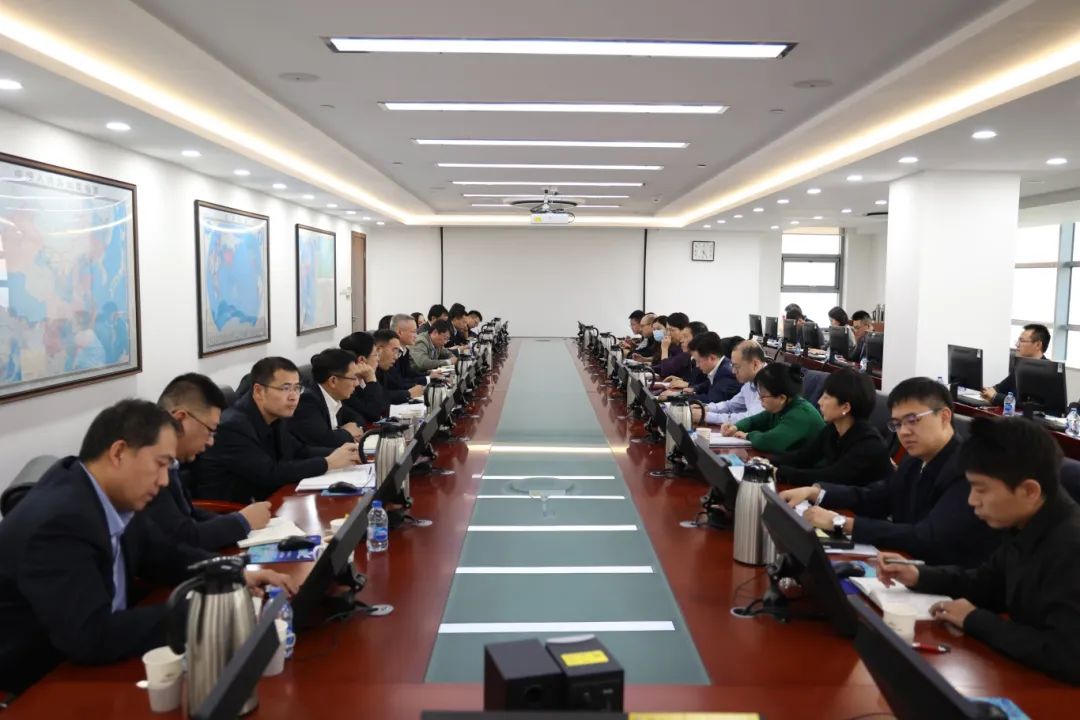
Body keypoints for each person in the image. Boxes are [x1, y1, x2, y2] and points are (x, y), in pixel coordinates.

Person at [0, 400, 292, 693]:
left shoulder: (106, 492)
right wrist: (208, 610)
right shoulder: (59, 522)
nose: (164, 480)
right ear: (119, 453)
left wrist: (231, 575)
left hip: (100, 655)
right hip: (41, 682)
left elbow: (161, 555)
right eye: (160, 464)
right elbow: (91, 636)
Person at [875, 417, 1080, 684]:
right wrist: (919, 575)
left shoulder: (1071, 547)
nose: (972, 501)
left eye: (980, 489)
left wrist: (974, 619)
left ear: (1029, 491)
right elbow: (987, 584)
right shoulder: (1024, 524)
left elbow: (1066, 655)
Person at [780, 377, 1001, 566]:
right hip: (906, 565)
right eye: (897, 424)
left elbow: (927, 536)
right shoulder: (914, 460)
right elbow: (876, 497)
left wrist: (843, 523)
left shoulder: (966, 469)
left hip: (946, 582)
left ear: (944, 416)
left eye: (912, 420)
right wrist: (815, 492)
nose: (904, 432)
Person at [190, 357, 359, 502]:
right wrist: (327, 463)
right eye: (285, 388)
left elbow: (300, 451)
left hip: (269, 499)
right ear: (258, 391)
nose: (293, 397)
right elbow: (269, 473)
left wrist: (346, 453)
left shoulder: (276, 415)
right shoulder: (232, 426)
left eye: (296, 388)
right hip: (235, 511)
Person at [146, 373, 271, 550]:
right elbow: (182, 538)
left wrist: (238, 518)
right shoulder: (149, 470)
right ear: (180, 419)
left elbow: (188, 513)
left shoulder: (171, 463)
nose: (211, 441)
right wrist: (242, 521)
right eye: (209, 431)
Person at [771, 369, 892, 487]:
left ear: (845, 407)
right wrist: (768, 461)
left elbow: (832, 477)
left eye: (826, 397)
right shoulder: (833, 429)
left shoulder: (868, 444)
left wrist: (781, 473)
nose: (819, 401)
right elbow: (803, 457)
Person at [720, 362, 824, 453]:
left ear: (781, 398)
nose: (760, 399)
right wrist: (736, 427)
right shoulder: (781, 406)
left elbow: (770, 442)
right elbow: (753, 421)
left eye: (763, 396)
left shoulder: (801, 414)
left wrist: (748, 436)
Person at [291, 348, 365, 447]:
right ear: (333, 381)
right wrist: (347, 433)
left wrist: (350, 431)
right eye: (353, 378)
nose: (357, 384)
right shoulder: (307, 401)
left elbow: (358, 418)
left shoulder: (335, 396)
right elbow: (323, 441)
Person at [691, 340, 767, 426]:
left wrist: (706, 416)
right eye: (732, 365)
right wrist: (704, 408)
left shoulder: (769, 383)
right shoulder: (750, 381)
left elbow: (750, 418)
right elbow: (730, 405)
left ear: (755, 365)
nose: (733, 371)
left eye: (736, 366)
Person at [980, 324, 1051, 404]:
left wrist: (995, 397)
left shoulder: (1047, 373)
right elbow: (999, 388)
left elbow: (1028, 404)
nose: (1017, 345)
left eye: (1022, 341)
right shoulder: (1021, 367)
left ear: (1038, 345)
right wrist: (986, 391)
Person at [665, 332, 740, 404]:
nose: (697, 365)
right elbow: (708, 383)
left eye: (698, 361)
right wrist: (694, 389)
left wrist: (676, 396)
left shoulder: (727, 373)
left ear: (712, 358)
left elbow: (710, 400)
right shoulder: (721, 367)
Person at [390, 313, 438, 389]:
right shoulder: (390, 354)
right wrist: (428, 378)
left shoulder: (405, 350)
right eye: (413, 332)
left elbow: (409, 373)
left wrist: (428, 374)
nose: (416, 335)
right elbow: (399, 382)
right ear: (399, 332)